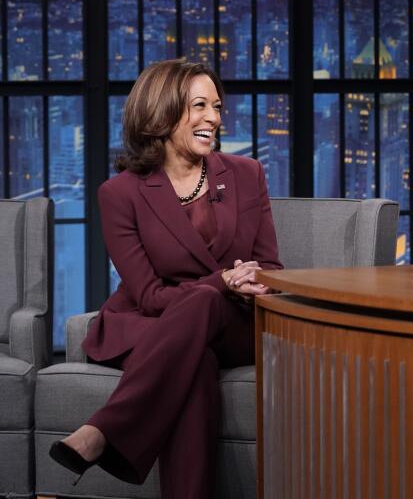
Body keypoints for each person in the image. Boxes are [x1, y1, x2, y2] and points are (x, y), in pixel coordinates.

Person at [48, 59, 283, 498]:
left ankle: (103, 429)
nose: (214, 117)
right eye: (200, 105)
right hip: (155, 323)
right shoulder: (120, 194)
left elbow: (270, 266)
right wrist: (222, 281)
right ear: (162, 113)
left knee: (209, 304)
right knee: (195, 363)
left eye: (216, 106)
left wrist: (247, 282)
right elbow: (150, 296)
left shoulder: (247, 174)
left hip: (237, 325)